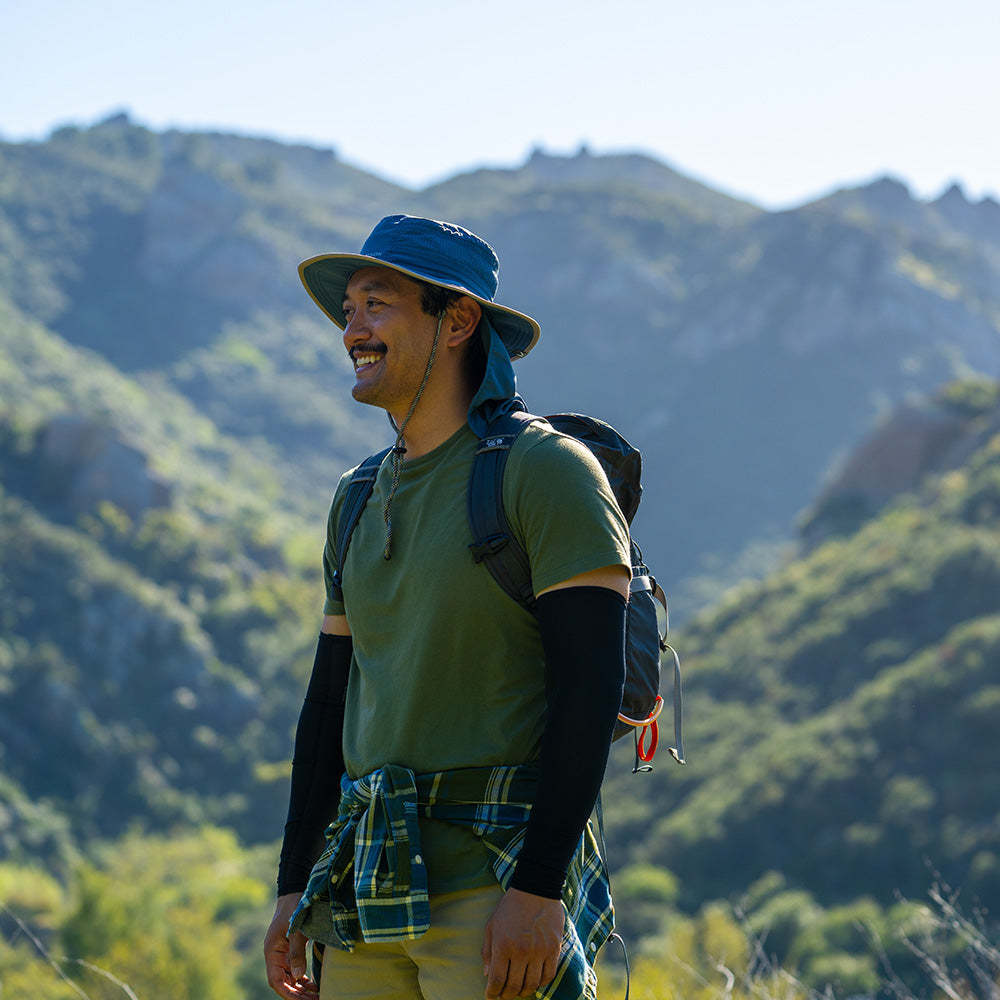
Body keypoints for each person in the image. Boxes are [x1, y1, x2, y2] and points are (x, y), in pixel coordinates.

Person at [263, 215, 631, 1000]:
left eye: (378, 303)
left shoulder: (545, 473)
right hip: (365, 889)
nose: (351, 327)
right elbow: (329, 700)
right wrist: (294, 883)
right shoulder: (357, 496)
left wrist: (539, 888)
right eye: (349, 308)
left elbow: (589, 687)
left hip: (493, 891)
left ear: (457, 320)